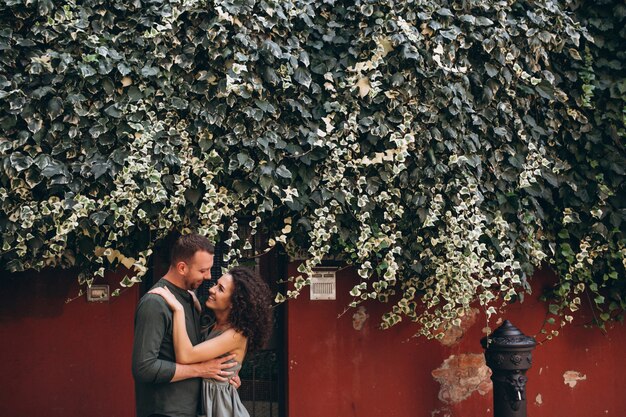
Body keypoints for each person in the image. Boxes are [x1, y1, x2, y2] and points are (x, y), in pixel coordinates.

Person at [132, 233, 241, 417]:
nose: (208, 277)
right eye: (202, 270)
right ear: (182, 267)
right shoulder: (155, 303)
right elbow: (144, 368)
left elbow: (198, 351)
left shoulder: (189, 298)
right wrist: (200, 370)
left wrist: (224, 376)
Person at [149, 266, 273, 417]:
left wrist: (178, 310)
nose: (212, 290)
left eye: (220, 289)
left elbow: (186, 356)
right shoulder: (215, 324)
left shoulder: (235, 334)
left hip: (222, 410)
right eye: (216, 284)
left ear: (234, 302)